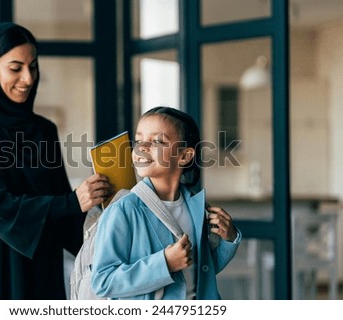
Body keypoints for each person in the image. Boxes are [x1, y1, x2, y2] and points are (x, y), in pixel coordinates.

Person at [0, 22, 113, 299]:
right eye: (16, 68)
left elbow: (64, 208)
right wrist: (72, 201)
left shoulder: (43, 130)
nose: (28, 78)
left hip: (39, 263)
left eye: (33, 66)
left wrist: (105, 206)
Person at [91, 106, 242, 299]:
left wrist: (229, 239)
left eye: (157, 141)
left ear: (185, 156)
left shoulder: (197, 207)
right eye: (138, 140)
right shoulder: (123, 211)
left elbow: (201, 271)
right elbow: (103, 282)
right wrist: (165, 264)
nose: (142, 148)